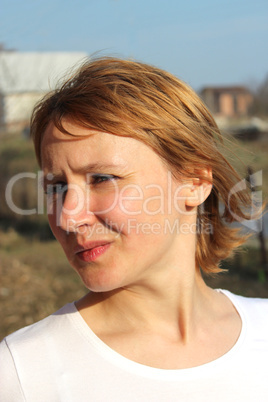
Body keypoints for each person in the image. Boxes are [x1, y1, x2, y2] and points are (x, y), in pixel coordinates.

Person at [0, 57, 267, 401]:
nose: (68, 217)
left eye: (101, 179)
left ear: (195, 181)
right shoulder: (22, 373)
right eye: (56, 187)